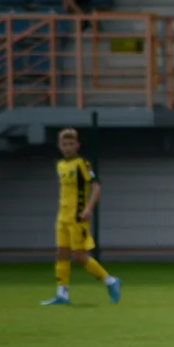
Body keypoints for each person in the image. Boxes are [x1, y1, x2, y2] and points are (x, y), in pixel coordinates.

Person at [41, 128, 122, 306]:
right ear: (59, 146)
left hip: (77, 217)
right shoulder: (60, 165)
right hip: (62, 216)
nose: (68, 147)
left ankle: (110, 281)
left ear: (77, 145)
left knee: (78, 256)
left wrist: (88, 208)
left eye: (71, 144)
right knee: (60, 253)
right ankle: (62, 295)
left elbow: (96, 187)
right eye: (65, 144)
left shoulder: (82, 164)